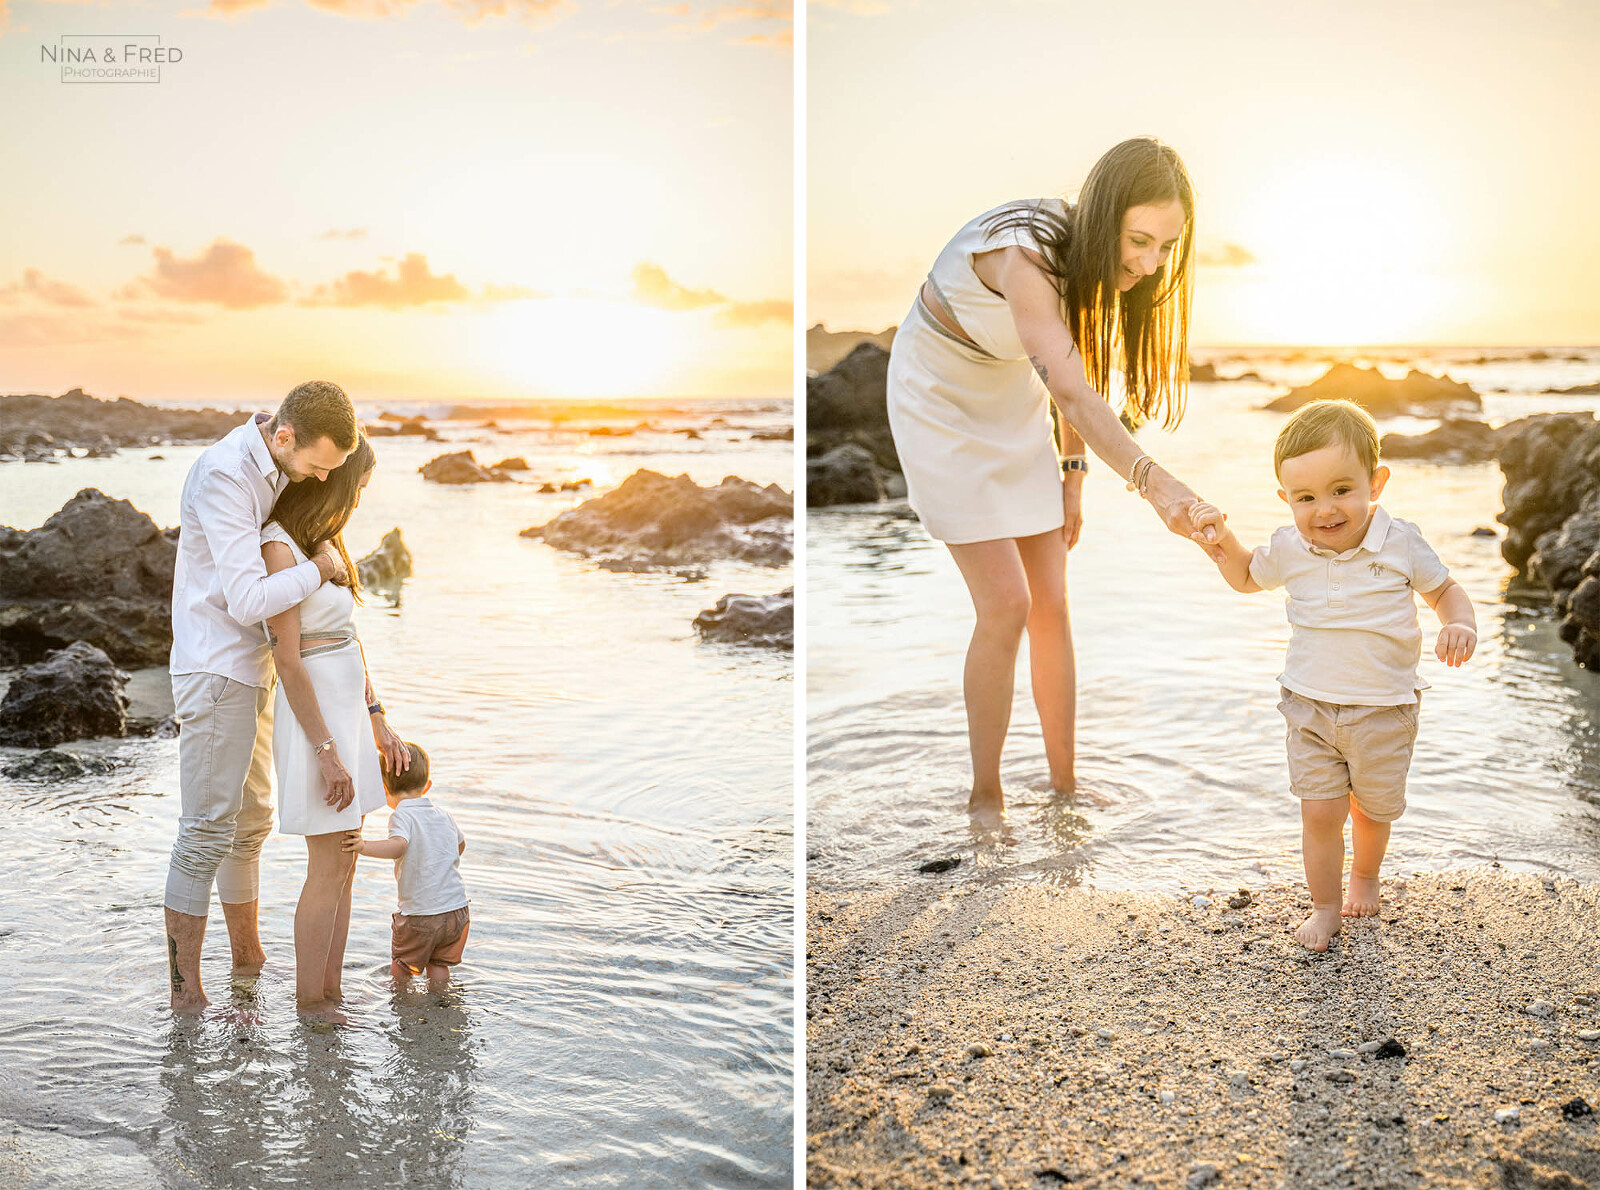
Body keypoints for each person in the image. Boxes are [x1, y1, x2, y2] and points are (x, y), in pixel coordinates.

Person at [886, 136, 1219, 817]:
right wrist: (1156, 485)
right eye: (1139, 240)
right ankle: (986, 798)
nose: (1150, 263)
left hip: (1010, 396)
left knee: (1052, 602)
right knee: (1005, 604)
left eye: (1165, 247)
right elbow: (1070, 391)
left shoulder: (1096, 266)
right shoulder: (1024, 255)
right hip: (938, 398)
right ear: (1103, 218)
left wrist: (1073, 472)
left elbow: (1073, 373)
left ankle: (1064, 787)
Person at [1188, 399, 1478, 951]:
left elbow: (1444, 590)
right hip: (1310, 705)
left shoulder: (1401, 543)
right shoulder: (1290, 547)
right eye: (1306, 497)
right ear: (1285, 499)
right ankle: (1325, 907)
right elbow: (1248, 577)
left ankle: (1365, 876)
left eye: (1341, 489)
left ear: (1376, 482)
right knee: (1320, 811)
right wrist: (1220, 542)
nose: (1325, 509)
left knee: (1372, 808)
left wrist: (1458, 622)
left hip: (1385, 708)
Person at [164, 380, 360, 1014]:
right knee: (205, 829)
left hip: (252, 668)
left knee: (250, 825)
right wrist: (321, 570)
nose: (318, 478)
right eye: (316, 465)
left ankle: (248, 955)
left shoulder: (275, 467)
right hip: (215, 667)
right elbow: (248, 600)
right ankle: (186, 992)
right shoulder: (225, 475)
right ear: (284, 437)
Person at [262, 433, 407, 1021]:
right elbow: (287, 659)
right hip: (315, 721)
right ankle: (308, 1002)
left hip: (348, 712)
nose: (357, 502)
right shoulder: (278, 548)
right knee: (327, 864)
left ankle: (332, 991)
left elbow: (352, 641)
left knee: (347, 857)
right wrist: (326, 750)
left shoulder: (327, 541)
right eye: (358, 488)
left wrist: (380, 722)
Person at [344, 742, 470, 994]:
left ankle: (402, 1004)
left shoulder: (402, 815)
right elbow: (460, 845)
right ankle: (440, 1004)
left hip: (422, 914)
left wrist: (362, 845)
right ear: (427, 785)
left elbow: (398, 846)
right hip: (457, 911)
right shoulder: (444, 815)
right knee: (439, 963)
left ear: (383, 788)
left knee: (402, 966)